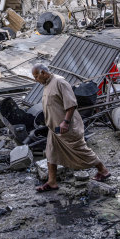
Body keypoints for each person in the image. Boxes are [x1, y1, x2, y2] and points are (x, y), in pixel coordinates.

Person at [32, 64, 110, 192]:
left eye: (36, 76)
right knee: (51, 152)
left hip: (66, 127)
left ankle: (103, 170)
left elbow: (71, 104)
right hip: (54, 128)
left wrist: (66, 122)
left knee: (80, 149)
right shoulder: (47, 84)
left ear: (44, 73)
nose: (35, 80)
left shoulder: (59, 82)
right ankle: (52, 182)